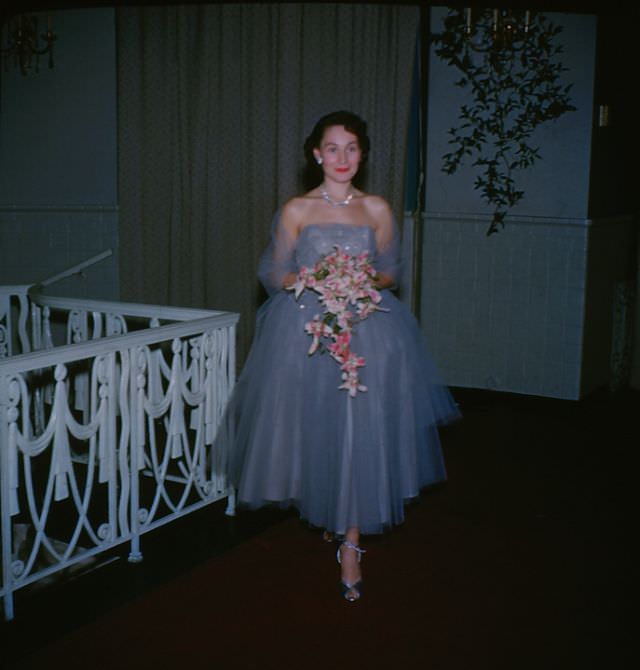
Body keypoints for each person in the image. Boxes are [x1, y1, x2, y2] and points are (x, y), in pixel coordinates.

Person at [219, 110, 460, 602]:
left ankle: (351, 543)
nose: (343, 158)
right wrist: (319, 279)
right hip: (306, 329)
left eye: (352, 148)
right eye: (333, 148)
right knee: (316, 427)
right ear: (316, 153)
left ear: (363, 154)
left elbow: (390, 273)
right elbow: (274, 273)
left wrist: (359, 280)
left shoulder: (376, 209)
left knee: (359, 430)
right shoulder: (296, 211)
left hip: (369, 329)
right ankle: (328, 505)